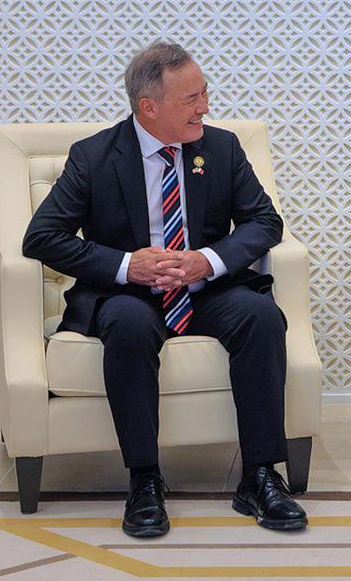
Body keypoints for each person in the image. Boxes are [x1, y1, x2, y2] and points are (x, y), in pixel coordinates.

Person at [22, 41, 307, 540]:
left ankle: (261, 475)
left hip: (207, 289)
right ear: (148, 107)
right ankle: (145, 480)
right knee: (128, 325)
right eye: (191, 99)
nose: (205, 107)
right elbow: (41, 237)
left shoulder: (221, 149)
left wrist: (206, 260)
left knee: (261, 316)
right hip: (129, 295)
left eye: (205, 94)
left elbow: (265, 221)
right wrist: (126, 265)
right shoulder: (94, 157)